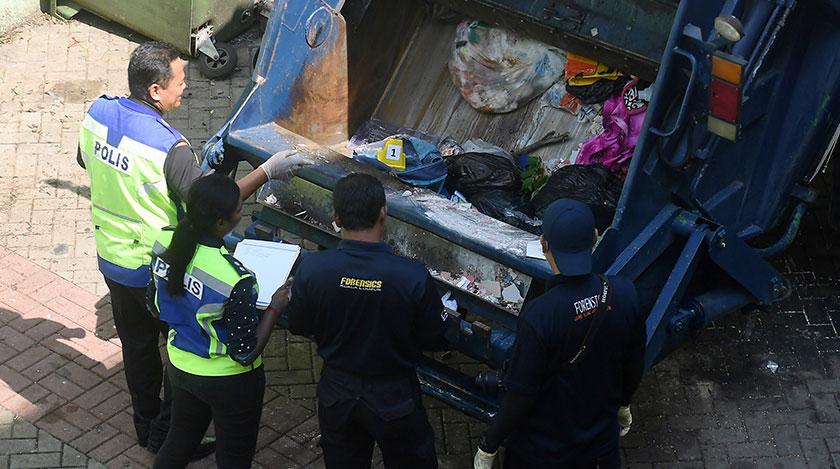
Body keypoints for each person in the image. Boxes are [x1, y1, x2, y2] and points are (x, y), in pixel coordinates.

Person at [76, 40, 306, 455]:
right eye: (179, 83)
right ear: (154, 91)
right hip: (157, 260)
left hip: (111, 257)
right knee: (178, 343)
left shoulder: (97, 113)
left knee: (137, 347)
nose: (186, 90)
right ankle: (168, 433)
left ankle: (146, 428)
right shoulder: (170, 147)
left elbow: (85, 161)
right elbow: (211, 202)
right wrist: (269, 171)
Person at [286, 173, 447, 469]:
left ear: (336, 216)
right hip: (394, 397)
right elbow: (435, 338)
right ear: (383, 212)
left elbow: (298, 324)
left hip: (336, 392)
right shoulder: (411, 276)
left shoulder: (313, 269)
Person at [473, 199, 646, 469]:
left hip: (545, 455)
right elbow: (634, 362)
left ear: (543, 244)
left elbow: (521, 395)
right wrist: (624, 404)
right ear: (595, 237)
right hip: (600, 450)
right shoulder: (624, 293)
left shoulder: (540, 315)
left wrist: (489, 444)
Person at [148, 174, 290, 468]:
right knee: (233, 458)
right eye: (239, 209)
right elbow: (244, 352)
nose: (243, 211)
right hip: (230, 383)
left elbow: (154, 304)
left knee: (179, 442)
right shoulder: (236, 279)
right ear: (221, 224)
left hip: (180, 367)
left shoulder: (164, 242)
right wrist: (276, 307)